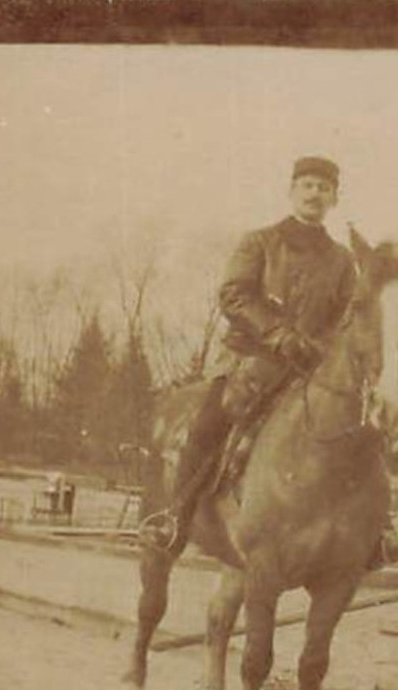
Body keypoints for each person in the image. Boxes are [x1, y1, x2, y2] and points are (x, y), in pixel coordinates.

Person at [140, 155, 357, 551]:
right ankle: (173, 520)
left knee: (354, 434)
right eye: (307, 185)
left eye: (323, 188)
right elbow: (234, 295)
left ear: (335, 199)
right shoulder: (259, 242)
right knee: (207, 428)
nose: (315, 193)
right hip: (249, 361)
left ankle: (369, 536)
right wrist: (277, 334)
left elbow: (345, 318)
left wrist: (319, 348)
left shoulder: (343, 260)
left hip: (309, 372)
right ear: (291, 192)